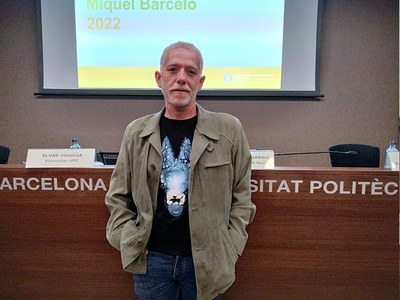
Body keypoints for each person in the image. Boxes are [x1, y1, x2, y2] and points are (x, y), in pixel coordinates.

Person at [105, 41, 256, 300]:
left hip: (208, 263)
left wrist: (230, 246)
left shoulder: (228, 130)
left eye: (191, 72)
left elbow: (242, 197)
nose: (181, 79)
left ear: (200, 81)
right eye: (173, 70)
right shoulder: (136, 133)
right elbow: (118, 196)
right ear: (159, 78)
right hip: (152, 262)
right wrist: (128, 239)